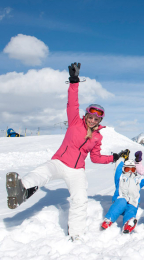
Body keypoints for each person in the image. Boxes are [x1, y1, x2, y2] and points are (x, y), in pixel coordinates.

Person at [5, 63, 126, 242]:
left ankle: (76, 234)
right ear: (86, 116)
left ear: (99, 120)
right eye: (90, 117)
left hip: (77, 170)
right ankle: (20, 189)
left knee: (80, 199)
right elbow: (73, 102)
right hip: (60, 161)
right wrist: (74, 81)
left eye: (96, 118)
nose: (92, 120)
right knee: (42, 172)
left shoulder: (97, 138)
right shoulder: (75, 121)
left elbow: (96, 158)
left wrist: (113, 158)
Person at [101, 149, 144, 234]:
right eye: (127, 169)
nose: (129, 172)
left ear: (134, 170)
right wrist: (122, 158)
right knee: (120, 203)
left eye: (132, 170)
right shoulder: (120, 178)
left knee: (131, 210)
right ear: (124, 169)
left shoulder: (137, 180)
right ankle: (108, 220)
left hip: (133, 201)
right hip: (120, 199)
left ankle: (128, 223)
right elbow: (117, 168)